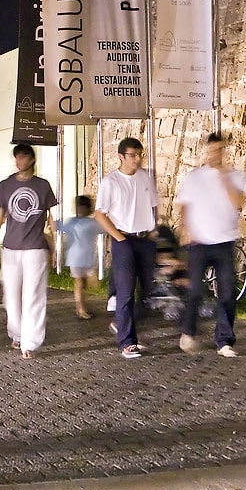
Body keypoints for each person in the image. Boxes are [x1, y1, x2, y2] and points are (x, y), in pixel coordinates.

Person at [178, 133, 246, 358]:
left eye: (219, 150)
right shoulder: (195, 177)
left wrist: (224, 176)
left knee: (227, 293)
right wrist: (185, 230)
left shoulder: (235, 176)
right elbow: (185, 206)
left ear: (224, 151)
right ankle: (188, 332)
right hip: (199, 243)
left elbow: (238, 203)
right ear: (206, 151)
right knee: (195, 291)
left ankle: (224, 340)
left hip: (224, 241)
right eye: (212, 150)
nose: (215, 154)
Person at [0, 143, 58, 358]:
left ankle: (31, 342)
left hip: (35, 248)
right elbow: (0, 216)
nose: (19, 161)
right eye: (16, 157)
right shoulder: (6, 185)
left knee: (34, 295)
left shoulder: (43, 185)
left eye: (22, 157)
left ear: (31, 160)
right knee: (11, 295)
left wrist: (55, 248)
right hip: (11, 248)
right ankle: (17, 333)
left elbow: (50, 219)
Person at [94, 137, 160, 359]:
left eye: (140, 154)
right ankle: (127, 342)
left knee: (149, 290)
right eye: (133, 155)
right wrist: (118, 238)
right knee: (126, 292)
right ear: (121, 156)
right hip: (124, 239)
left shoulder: (145, 177)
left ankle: (121, 324)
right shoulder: (110, 182)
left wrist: (154, 230)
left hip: (145, 239)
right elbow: (99, 214)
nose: (137, 159)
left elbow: (153, 206)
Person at [57, 195, 101, 319]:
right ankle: (80, 308)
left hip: (86, 258)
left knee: (84, 283)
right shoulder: (77, 222)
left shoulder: (89, 223)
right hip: (76, 258)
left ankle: (81, 306)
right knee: (80, 283)